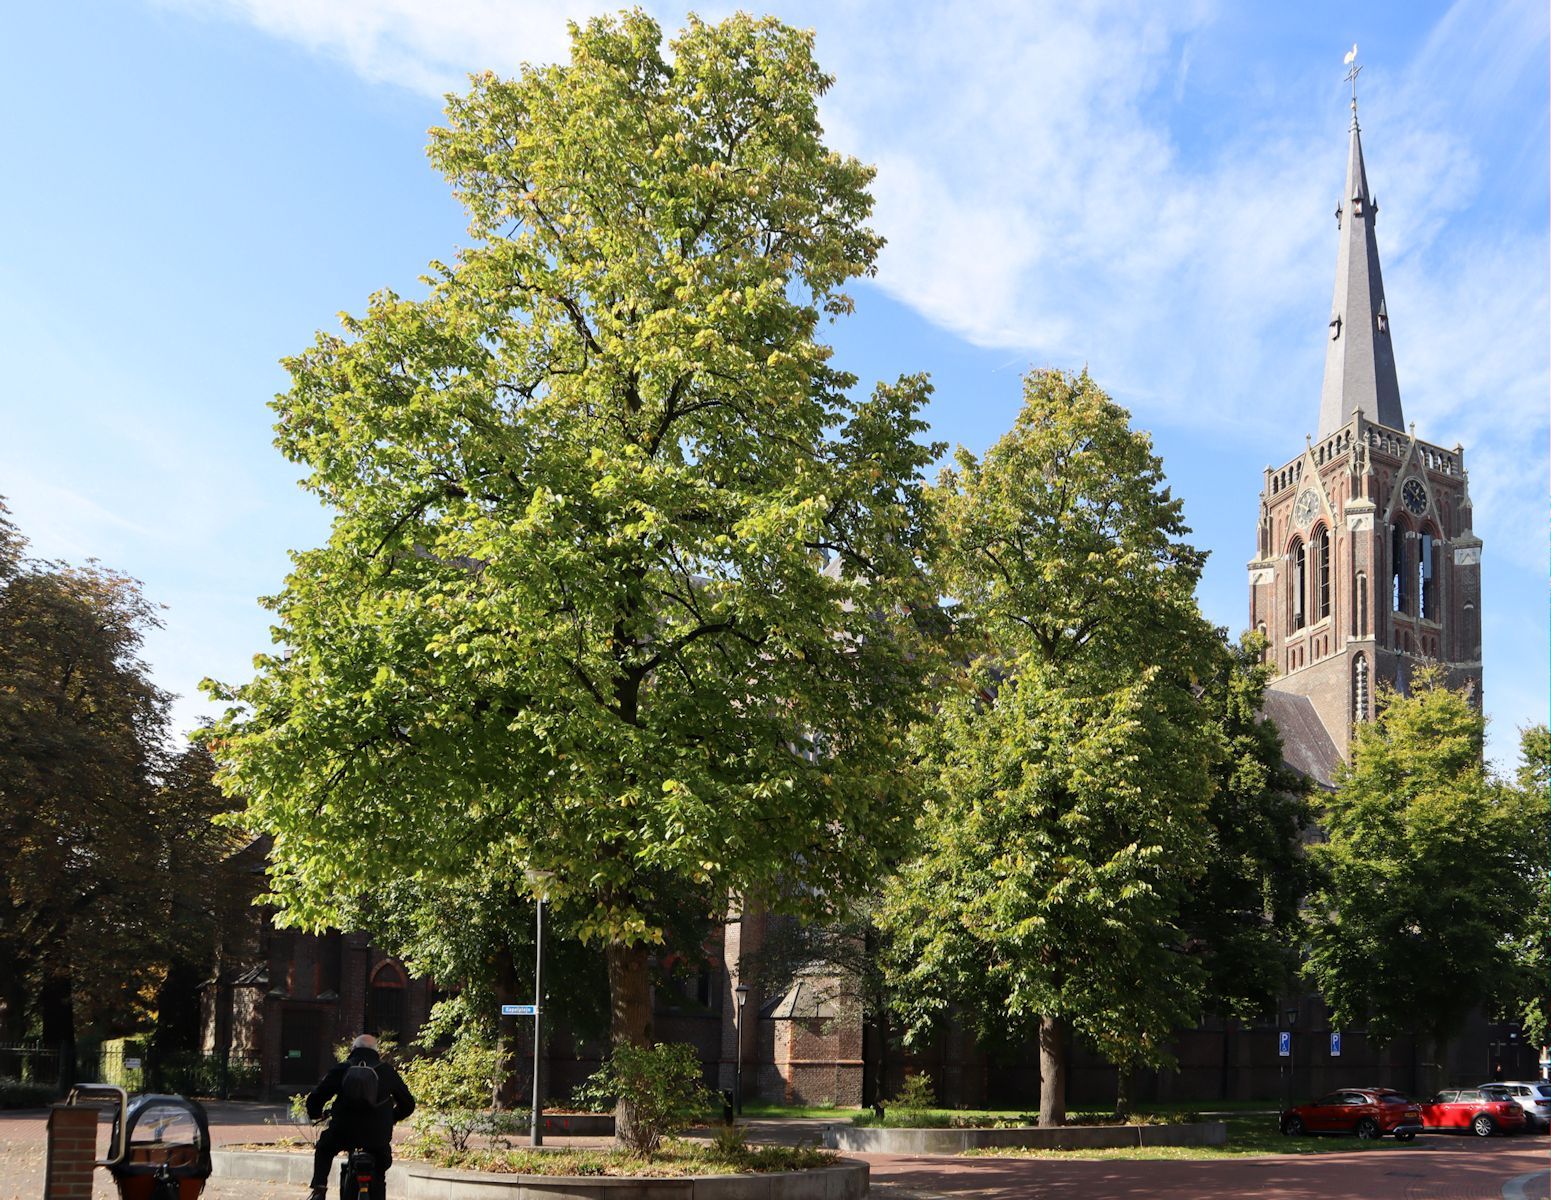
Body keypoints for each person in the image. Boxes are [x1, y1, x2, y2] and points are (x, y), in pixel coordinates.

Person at [304, 1034, 415, 1200]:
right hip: (377, 1135)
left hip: (343, 1133)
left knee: (324, 1148)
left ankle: (319, 1189)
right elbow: (408, 1104)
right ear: (376, 1051)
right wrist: (391, 1117)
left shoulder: (342, 1069)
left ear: (353, 1049)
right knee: (381, 1162)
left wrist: (315, 1113)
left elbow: (316, 1097)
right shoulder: (387, 1071)